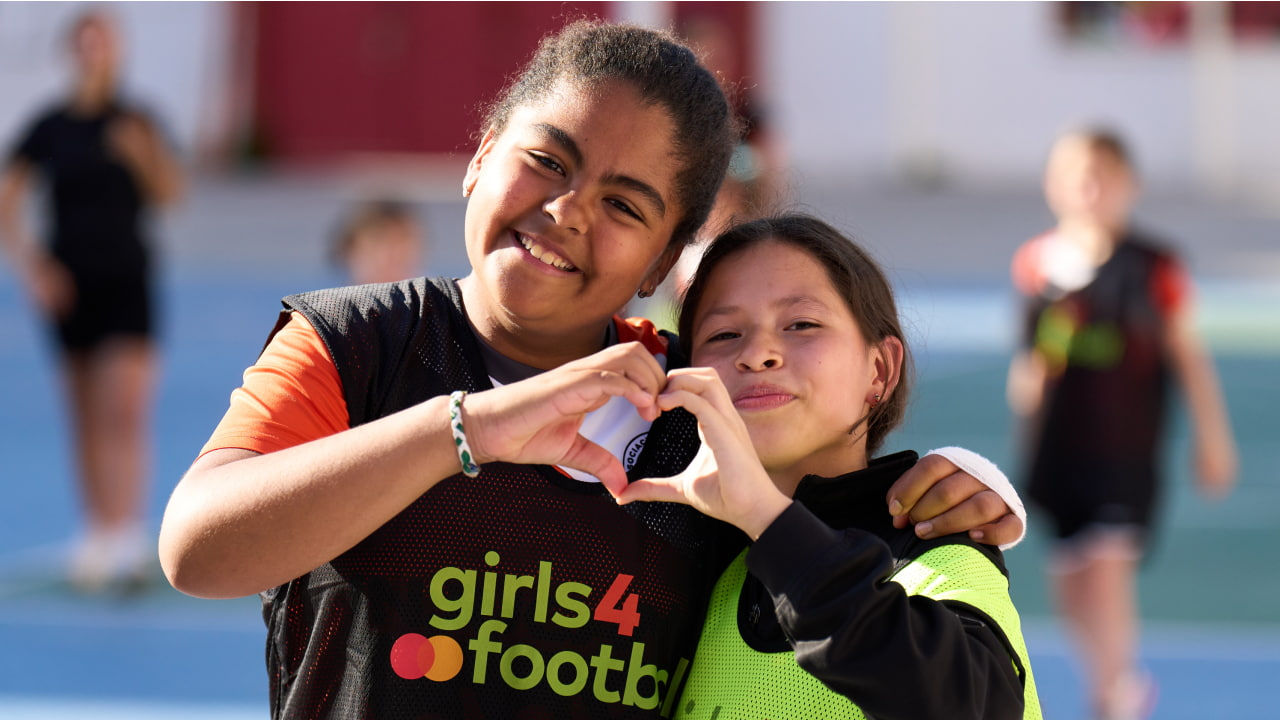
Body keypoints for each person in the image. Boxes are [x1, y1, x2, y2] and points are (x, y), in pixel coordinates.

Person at [160, 21, 1024, 719]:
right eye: (546, 161)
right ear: (479, 156)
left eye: (623, 204)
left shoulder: (684, 399)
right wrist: (460, 429)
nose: (568, 211)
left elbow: (812, 486)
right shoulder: (357, 344)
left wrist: (956, 482)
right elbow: (198, 550)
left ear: (661, 264)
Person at [617, 215, 1041, 719]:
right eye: (725, 333)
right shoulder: (713, 566)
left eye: (801, 324)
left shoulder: (935, 554)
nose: (757, 354)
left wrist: (770, 522)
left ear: (879, 370)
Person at [1006, 128, 1237, 720]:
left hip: (1125, 455)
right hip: (1059, 454)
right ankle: (1119, 680)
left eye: (1103, 175)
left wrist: (1213, 437)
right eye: (1077, 176)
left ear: (1128, 185)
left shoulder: (1154, 267)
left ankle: (1112, 701)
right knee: (1072, 588)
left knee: (1107, 573)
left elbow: (1188, 355)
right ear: (1054, 187)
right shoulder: (1036, 265)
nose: (1090, 188)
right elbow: (1037, 356)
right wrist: (1028, 395)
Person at [0, 11, 183, 592]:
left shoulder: (137, 120)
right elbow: (8, 199)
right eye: (84, 44)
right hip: (69, 286)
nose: (93, 54)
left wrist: (139, 155)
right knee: (82, 413)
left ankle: (126, 536)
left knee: (124, 410)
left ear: (116, 52)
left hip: (126, 280)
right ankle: (95, 532)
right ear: (72, 53)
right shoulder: (50, 126)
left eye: (102, 44)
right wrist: (34, 270)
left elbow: (170, 193)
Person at [331, 198, 425, 285]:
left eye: (401, 242)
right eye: (377, 244)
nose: (391, 257)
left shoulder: (435, 298)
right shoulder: (326, 300)